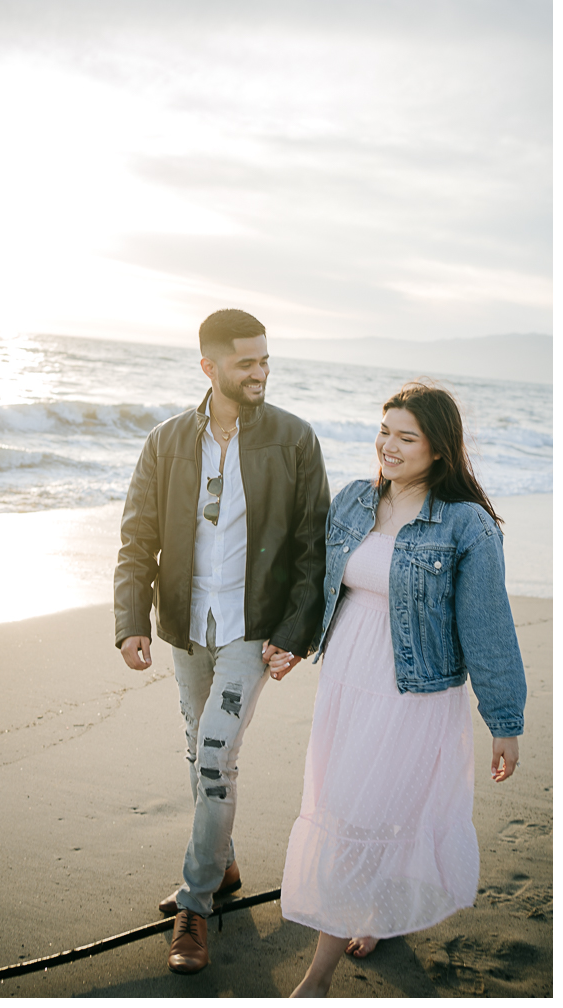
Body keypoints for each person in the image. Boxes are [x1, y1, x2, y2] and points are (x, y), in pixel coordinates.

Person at [270, 380, 526, 998]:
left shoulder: (466, 525)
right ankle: (371, 914)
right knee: (350, 809)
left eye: (405, 437)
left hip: (410, 694)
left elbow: (488, 626)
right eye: (384, 431)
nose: (388, 445)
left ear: (439, 448)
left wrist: (505, 722)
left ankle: (318, 977)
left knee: (366, 812)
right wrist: (293, 643)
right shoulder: (355, 501)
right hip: (346, 683)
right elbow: (320, 580)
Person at [114, 309, 330, 974]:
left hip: (251, 629)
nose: (260, 372)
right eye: (246, 362)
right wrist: (130, 620)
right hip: (185, 625)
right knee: (196, 742)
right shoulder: (166, 442)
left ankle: (196, 905)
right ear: (209, 367)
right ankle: (223, 861)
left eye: (266, 360)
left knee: (213, 758)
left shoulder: (293, 440)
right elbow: (137, 535)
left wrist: (296, 633)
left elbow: (311, 545)